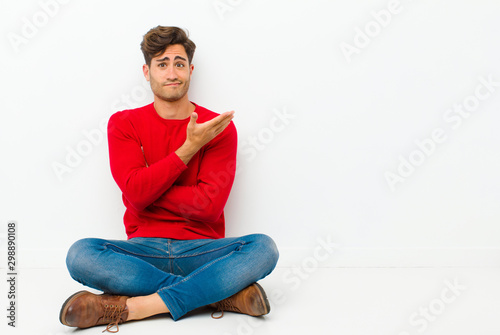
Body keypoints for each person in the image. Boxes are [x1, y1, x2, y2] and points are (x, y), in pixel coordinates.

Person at [59, 26, 279, 333]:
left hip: (202, 251)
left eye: (178, 63)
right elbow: (136, 193)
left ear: (190, 70)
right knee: (80, 255)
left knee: (264, 248)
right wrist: (188, 150)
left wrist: (146, 189)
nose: (171, 72)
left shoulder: (217, 128)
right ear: (147, 71)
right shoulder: (124, 123)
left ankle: (134, 308)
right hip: (142, 254)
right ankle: (217, 296)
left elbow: (207, 208)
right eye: (162, 64)